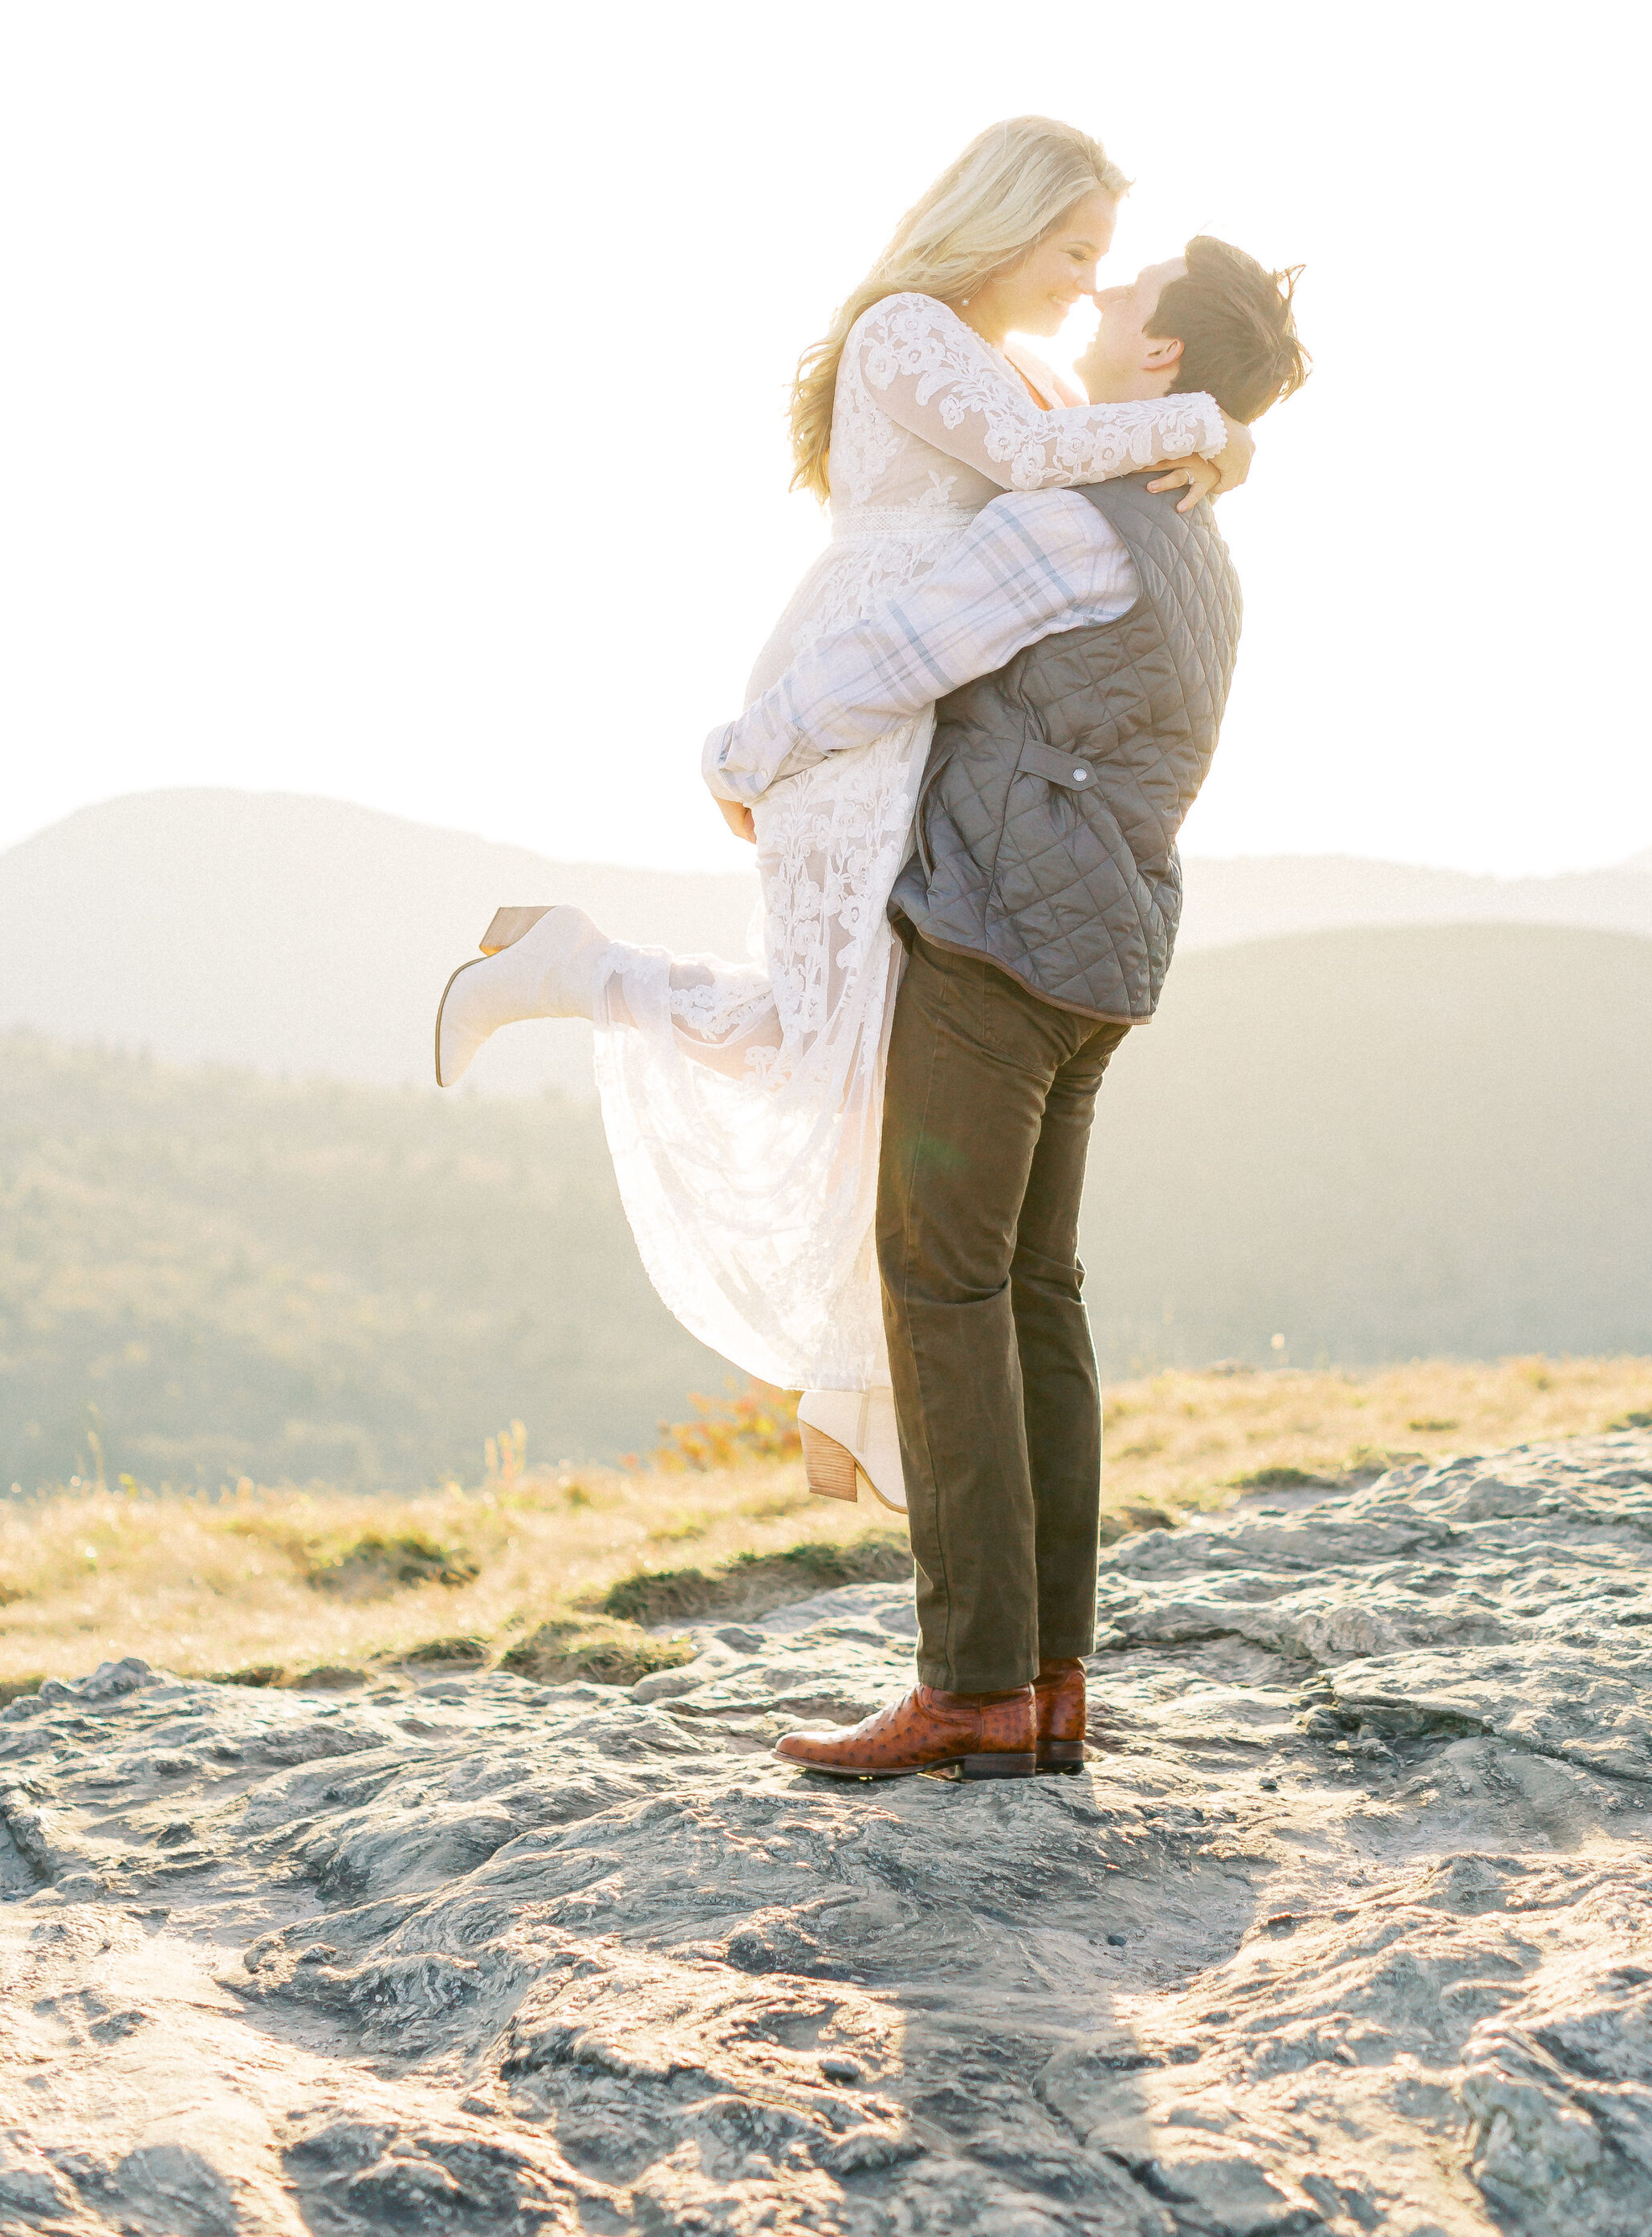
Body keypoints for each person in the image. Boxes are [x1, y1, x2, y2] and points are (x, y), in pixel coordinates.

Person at [433, 120, 1251, 1492]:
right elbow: (1040, 458)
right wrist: (1215, 426)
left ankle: (574, 967)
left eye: (1105, 260)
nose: (1084, 282)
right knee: (834, 1044)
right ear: (1006, 220)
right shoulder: (907, 332)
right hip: (850, 688)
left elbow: (1076, 446)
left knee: (852, 1036)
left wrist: (1225, 445)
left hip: (914, 707)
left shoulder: (1022, 358)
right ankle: (574, 976)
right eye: (1076, 249)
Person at [696, 238, 1312, 1782]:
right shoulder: (1198, 544)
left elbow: (899, 657)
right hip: (1104, 957)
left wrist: (743, 753)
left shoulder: (1073, 524)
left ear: (1163, 360)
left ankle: (971, 1684)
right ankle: (1047, 1674)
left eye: (1127, 293)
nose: (1098, 303)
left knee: (944, 1283)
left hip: (992, 942)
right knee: (1038, 1293)